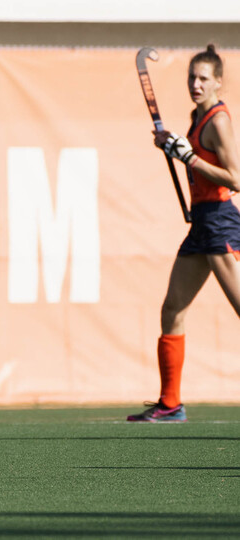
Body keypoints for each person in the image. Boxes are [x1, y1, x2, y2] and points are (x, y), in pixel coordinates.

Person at [128, 45, 240, 422]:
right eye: (192, 77)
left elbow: (235, 178)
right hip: (202, 223)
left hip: (219, 220)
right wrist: (175, 146)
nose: (195, 83)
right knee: (172, 309)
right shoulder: (199, 116)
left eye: (203, 78)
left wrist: (188, 156)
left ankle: (170, 403)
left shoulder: (218, 121)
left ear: (218, 82)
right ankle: (170, 403)